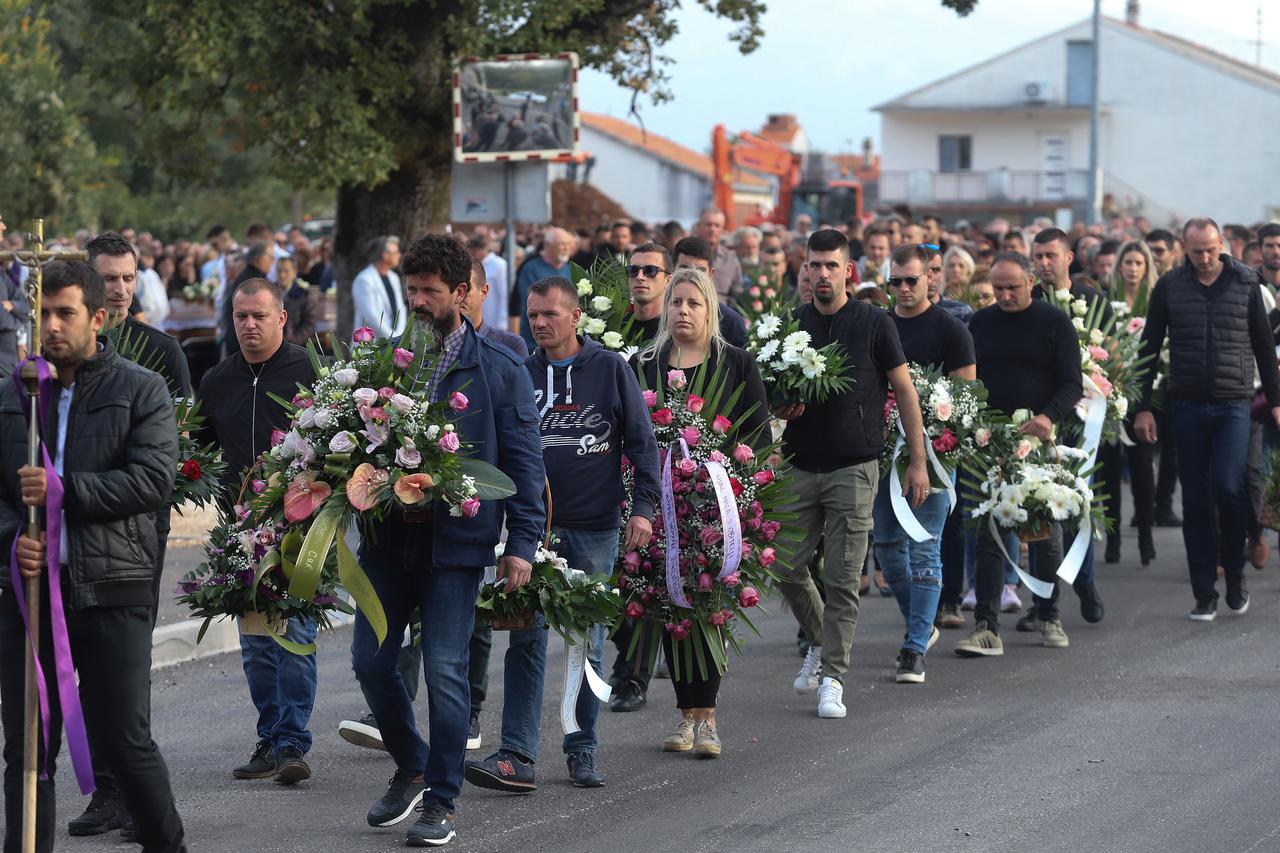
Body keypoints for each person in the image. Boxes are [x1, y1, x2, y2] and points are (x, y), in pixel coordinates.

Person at [351, 234, 545, 847]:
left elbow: (523, 461)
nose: (420, 301)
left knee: (444, 670)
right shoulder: (385, 361)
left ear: (463, 293)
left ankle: (442, 800)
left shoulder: (501, 367)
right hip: (387, 544)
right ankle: (411, 763)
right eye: (412, 291)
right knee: (371, 663)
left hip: (456, 546)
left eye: (431, 291)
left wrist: (523, 543)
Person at [0, 260, 186, 853]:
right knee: (27, 749)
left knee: (125, 741)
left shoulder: (139, 388)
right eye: (43, 314)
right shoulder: (13, 394)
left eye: (65, 313)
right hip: (27, 596)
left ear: (97, 317)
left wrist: (68, 492)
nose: (52, 326)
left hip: (111, 587)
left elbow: (153, 481)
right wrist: (13, 536)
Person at [464, 275, 660, 790]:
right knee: (525, 640)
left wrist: (642, 510)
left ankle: (583, 750)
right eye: (532, 316)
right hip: (533, 532)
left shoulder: (610, 368)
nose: (540, 324)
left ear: (576, 317)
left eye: (550, 314)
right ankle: (517, 755)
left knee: (586, 645)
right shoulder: (518, 372)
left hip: (595, 529)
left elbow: (642, 446)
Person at [775, 229, 929, 719]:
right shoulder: (788, 325)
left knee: (843, 578)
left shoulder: (874, 322)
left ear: (849, 271)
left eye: (830, 266)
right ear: (804, 269)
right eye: (813, 265)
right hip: (798, 464)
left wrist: (919, 460)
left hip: (854, 467)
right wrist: (785, 404)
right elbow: (769, 396)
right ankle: (820, 643)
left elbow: (904, 391)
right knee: (784, 565)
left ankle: (834, 679)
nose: (821, 274)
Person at [632, 267, 770, 754]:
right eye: (676, 303)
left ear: (711, 309)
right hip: (659, 504)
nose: (683, 311)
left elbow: (758, 435)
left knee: (709, 603)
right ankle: (683, 719)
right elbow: (630, 430)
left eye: (694, 303)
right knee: (672, 603)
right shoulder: (643, 363)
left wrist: (722, 470)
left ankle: (706, 719)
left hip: (717, 506)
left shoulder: (735, 362)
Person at [196, 278, 320, 785]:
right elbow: (200, 453)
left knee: (293, 632)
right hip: (241, 527)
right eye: (241, 316)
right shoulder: (217, 380)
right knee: (255, 643)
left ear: (281, 318)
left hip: (301, 529)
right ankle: (269, 737)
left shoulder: (309, 372)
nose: (249, 325)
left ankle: (292, 741)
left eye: (259, 316)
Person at [1134, 218, 1280, 621]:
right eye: (1196, 251)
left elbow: (1265, 348)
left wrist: (1277, 400)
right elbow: (1149, 347)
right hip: (1188, 404)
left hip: (1235, 404)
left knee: (1229, 487)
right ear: (1185, 248)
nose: (1204, 258)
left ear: (1222, 244)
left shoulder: (1247, 283)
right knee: (1195, 499)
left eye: (1211, 249)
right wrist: (1142, 406)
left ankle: (1234, 575)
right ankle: (1204, 592)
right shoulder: (1169, 287)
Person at [956, 252, 1083, 658]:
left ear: (1031, 282)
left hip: (1038, 438)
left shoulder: (1054, 322)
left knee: (1043, 528)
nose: (1006, 295)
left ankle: (1048, 613)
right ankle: (987, 625)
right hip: (990, 441)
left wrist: (1049, 417)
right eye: (998, 289)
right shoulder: (981, 323)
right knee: (989, 530)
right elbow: (968, 379)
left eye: (1013, 287)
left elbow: (1071, 383)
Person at [874, 244, 975, 684]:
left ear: (928, 279)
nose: (902, 289)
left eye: (910, 280)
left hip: (934, 453)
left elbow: (966, 401)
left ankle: (914, 648)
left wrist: (932, 445)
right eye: (894, 282)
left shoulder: (951, 330)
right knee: (888, 550)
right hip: (882, 455)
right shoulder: (880, 325)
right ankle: (923, 621)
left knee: (925, 549)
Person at [1100, 241, 1159, 566]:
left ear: (1146, 267)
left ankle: (1146, 536)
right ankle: (1113, 538)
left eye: (1139, 262)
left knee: (1142, 468)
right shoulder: (1108, 302)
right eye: (1128, 262)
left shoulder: (1156, 301)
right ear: (1119, 266)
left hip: (1147, 396)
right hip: (1112, 393)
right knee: (1109, 468)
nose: (1133, 267)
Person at [511, 227, 574, 349]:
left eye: (568, 244)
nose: (566, 248)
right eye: (562, 244)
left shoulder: (571, 269)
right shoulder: (531, 268)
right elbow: (529, 303)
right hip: (535, 342)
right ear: (547, 245)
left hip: (564, 344)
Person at [220, 241, 275, 359]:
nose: (272, 261)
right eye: (270, 257)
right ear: (258, 258)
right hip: (246, 344)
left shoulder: (249, 276)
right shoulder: (254, 282)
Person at [352, 236, 407, 341]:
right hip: (371, 345)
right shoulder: (364, 280)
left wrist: (398, 335)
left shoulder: (393, 277)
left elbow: (401, 309)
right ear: (385, 255)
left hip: (394, 342)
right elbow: (371, 317)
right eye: (396, 252)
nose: (399, 255)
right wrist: (392, 337)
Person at [690, 207, 743, 303]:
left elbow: (737, 294)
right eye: (708, 225)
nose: (712, 229)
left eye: (717, 226)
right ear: (698, 226)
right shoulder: (686, 255)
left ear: (722, 229)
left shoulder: (731, 259)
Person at [468, 234, 508, 334]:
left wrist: (502, 323)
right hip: (478, 321)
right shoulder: (473, 266)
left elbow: (503, 294)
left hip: (495, 321)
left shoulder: (499, 264)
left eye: (473, 251)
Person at [281, 256, 322, 346]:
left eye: (286, 271)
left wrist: (294, 342)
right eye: (279, 271)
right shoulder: (272, 293)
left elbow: (310, 323)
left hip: (296, 345)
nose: (282, 275)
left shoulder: (304, 295)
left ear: (294, 272)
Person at [0, 258, 30, 377]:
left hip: (10, 360)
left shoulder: (2, 275)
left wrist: (12, 304)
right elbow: (2, 319)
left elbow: (25, 306)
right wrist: (17, 321)